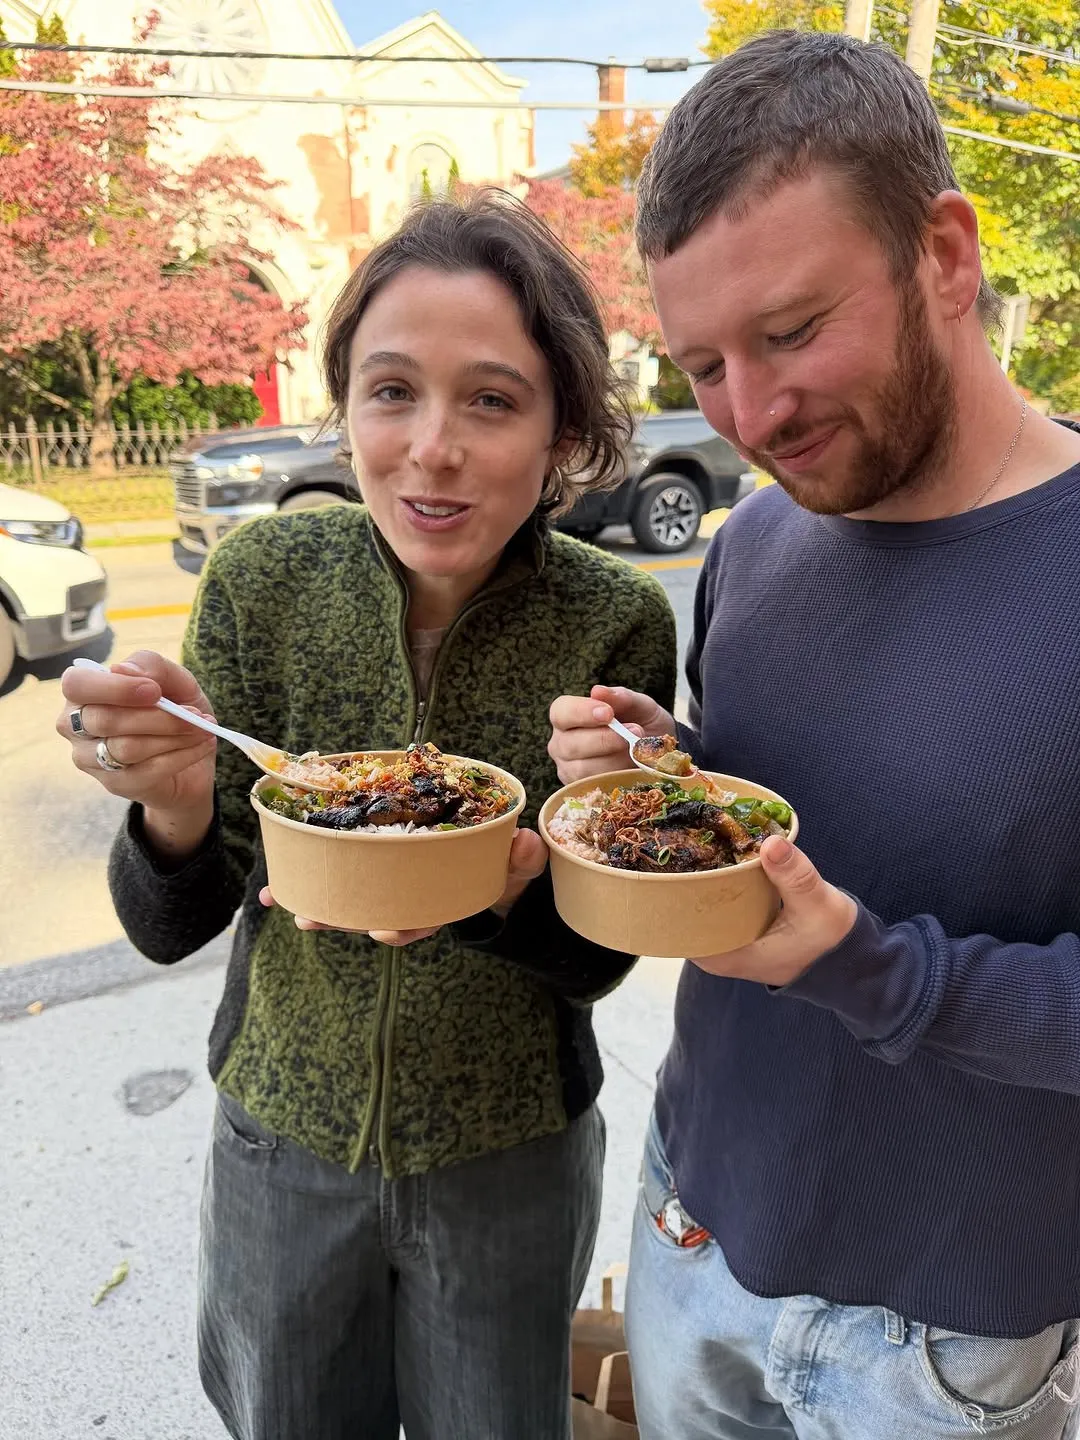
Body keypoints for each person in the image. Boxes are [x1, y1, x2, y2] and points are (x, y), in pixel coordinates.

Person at [58, 191, 676, 1440]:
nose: (431, 448)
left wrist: (537, 875)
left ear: (563, 434)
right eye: (391, 391)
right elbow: (169, 925)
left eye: (492, 401)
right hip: (282, 1148)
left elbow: (599, 958)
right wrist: (176, 807)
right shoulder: (264, 579)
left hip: (511, 1159)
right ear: (345, 407)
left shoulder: (615, 621)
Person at [549, 30, 1080, 1440]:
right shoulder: (761, 535)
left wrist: (874, 971)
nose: (751, 415)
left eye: (789, 332)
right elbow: (782, 790)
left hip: (946, 1335)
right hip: (692, 1224)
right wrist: (672, 770)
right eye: (704, 363)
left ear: (947, 257)